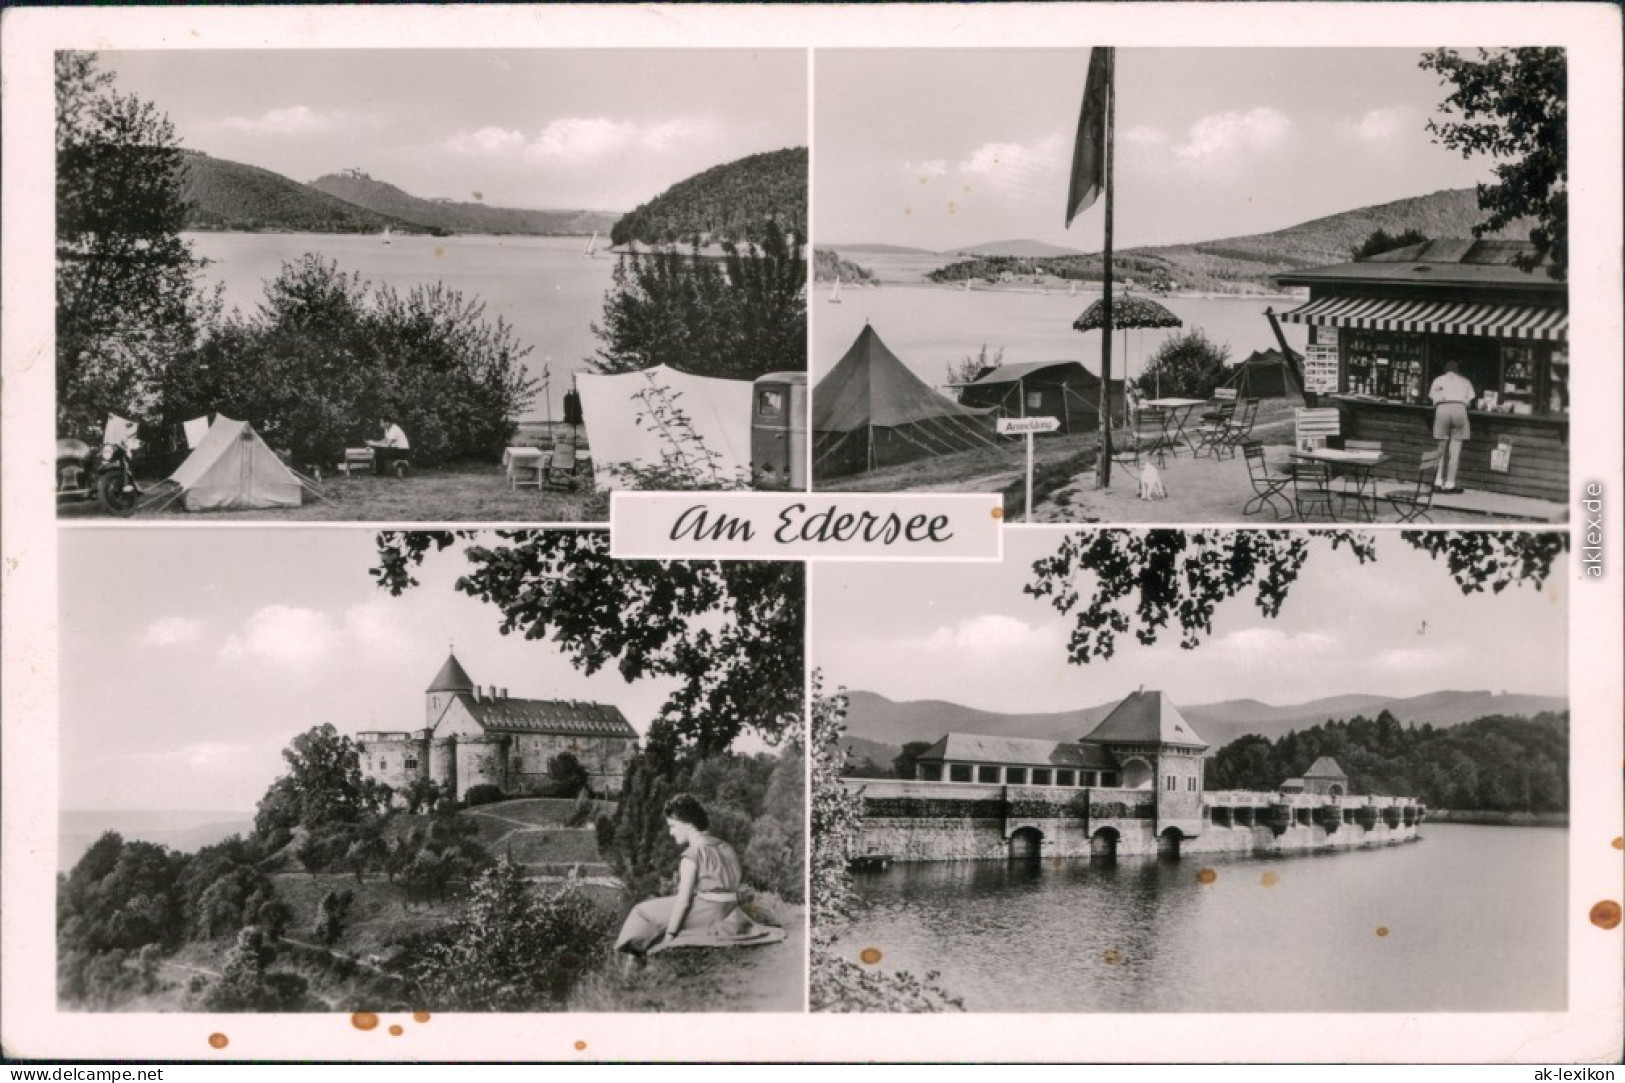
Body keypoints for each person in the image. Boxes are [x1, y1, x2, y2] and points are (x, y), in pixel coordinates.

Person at [613, 794, 786, 963]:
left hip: (708, 912)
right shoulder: (725, 847)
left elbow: (684, 901)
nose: (671, 833)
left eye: (673, 826)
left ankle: (635, 966)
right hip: (730, 909)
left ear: (687, 824)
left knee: (641, 911)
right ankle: (643, 961)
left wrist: (671, 934)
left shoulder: (692, 855)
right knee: (657, 908)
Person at [1427, 359, 1474, 493]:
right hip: (1459, 409)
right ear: (1457, 370)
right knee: (1455, 451)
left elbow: (1432, 398)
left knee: (1441, 449)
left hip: (1442, 409)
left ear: (1445, 370)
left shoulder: (1438, 380)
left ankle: (1437, 482)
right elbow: (1469, 402)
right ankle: (1450, 484)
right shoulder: (1465, 381)